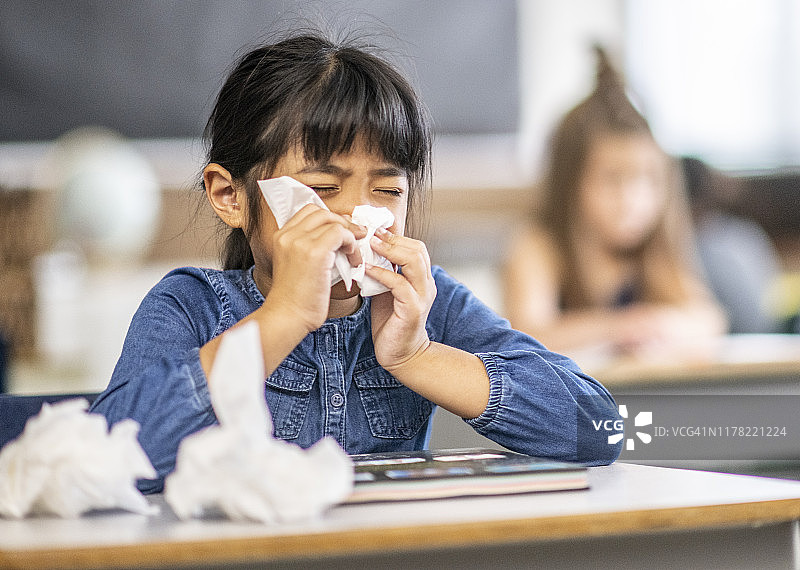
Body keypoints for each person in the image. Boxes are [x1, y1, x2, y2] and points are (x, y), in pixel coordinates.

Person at [90, 33, 621, 493]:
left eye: (387, 189)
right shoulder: (192, 306)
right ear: (230, 196)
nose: (353, 217)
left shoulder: (426, 304)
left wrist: (418, 356)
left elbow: (598, 427)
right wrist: (283, 318)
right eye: (322, 187)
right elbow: (105, 461)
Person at [503, 47, 726, 363]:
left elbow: (708, 320)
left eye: (647, 180)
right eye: (612, 180)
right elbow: (526, 334)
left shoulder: (655, 249)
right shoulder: (539, 245)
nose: (631, 201)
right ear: (571, 184)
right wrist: (621, 327)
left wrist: (659, 327)